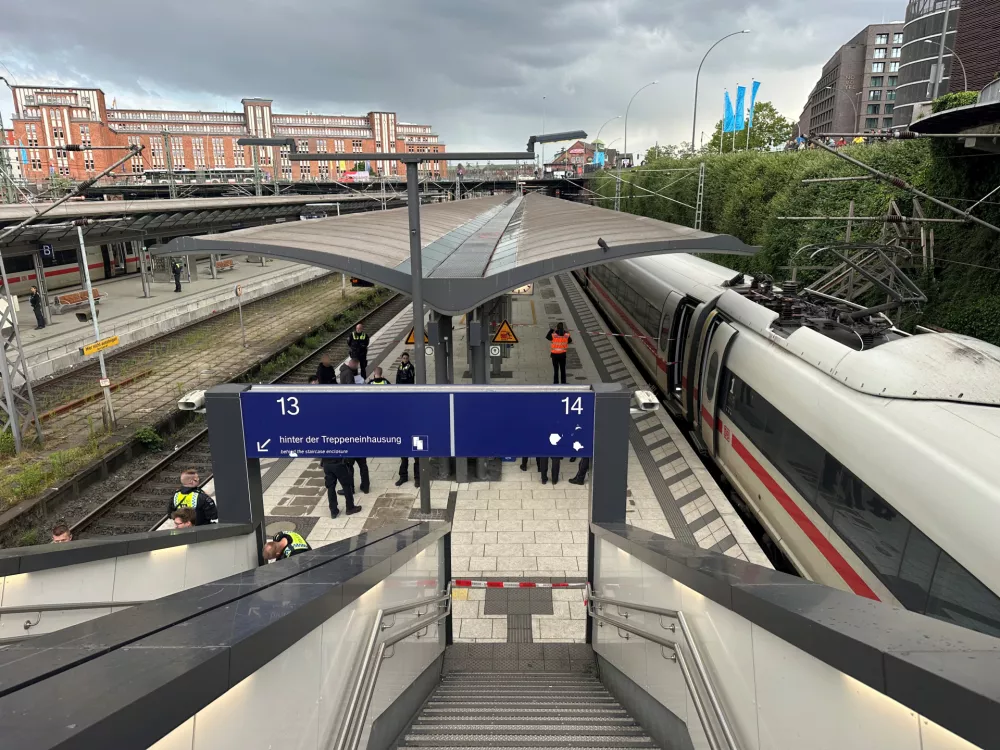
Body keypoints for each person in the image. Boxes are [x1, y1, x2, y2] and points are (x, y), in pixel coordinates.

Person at [394, 353, 420, 487]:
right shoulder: (399, 367)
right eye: (403, 358)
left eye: (405, 358)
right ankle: (403, 477)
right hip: (405, 435)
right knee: (404, 458)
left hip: (414, 435)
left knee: (417, 459)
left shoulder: (410, 367)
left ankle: (418, 478)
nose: (404, 360)